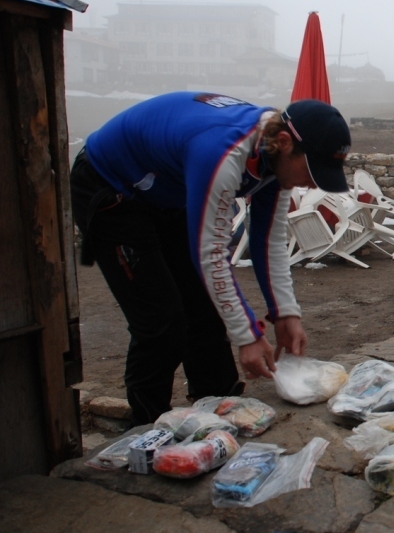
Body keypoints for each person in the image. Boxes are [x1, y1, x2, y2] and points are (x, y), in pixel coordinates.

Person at [70, 92, 352, 426]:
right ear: (285, 142)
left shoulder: (274, 157)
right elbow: (212, 253)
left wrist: (285, 313)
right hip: (111, 186)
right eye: (312, 170)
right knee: (162, 321)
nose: (313, 182)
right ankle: (147, 427)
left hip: (164, 190)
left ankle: (221, 410)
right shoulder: (224, 152)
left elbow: (269, 243)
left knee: (202, 308)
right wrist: (248, 335)